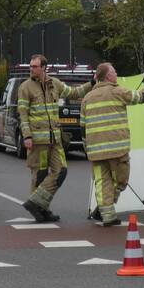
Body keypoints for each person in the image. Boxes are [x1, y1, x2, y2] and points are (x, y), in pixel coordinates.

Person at [17, 54, 93, 223]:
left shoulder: (55, 83)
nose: (31, 69)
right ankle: (42, 209)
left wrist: (92, 83)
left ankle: (35, 203)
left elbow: (74, 93)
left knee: (61, 171)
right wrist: (27, 136)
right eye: (31, 66)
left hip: (55, 140)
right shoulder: (25, 87)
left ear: (44, 67)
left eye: (35, 66)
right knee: (40, 175)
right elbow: (23, 114)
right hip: (38, 142)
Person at [81, 64, 144, 226]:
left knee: (102, 182)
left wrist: (86, 148)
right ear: (108, 76)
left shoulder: (87, 98)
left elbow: (82, 127)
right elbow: (140, 97)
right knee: (121, 181)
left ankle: (106, 214)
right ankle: (106, 211)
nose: (116, 73)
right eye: (114, 71)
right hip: (116, 149)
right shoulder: (117, 91)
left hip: (95, 151)